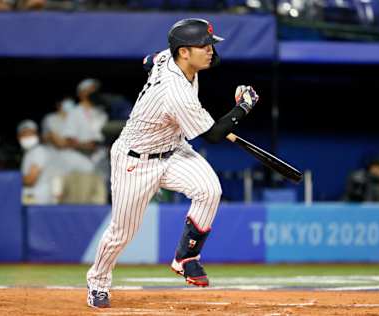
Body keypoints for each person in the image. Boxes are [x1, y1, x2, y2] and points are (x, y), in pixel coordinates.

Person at [86, 18, 259, 308]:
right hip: (136, 161)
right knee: (122, 232)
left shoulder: (169, 57)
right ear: (184, 53)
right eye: (204, 46)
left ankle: (185, 256)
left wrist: (160, 59)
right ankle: (98, 281)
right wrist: (243, 106)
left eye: (209, 45)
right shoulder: (175, 92)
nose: (211, 52)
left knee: (209, 190)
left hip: (173, 149)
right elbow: (214, 136)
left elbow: (147, 60)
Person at [62, 78, 109, 179]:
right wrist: (86, 146)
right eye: (90, 89)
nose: (94, 92)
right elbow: (68, 140)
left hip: (101, 162)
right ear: (81, 93)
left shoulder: (102, 112)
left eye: (95, 89)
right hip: (80, 163)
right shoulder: (74, 112)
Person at [17, 120, 64, 204]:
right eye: (25, 134)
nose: (28, 136)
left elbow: (31, 180)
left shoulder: (38, 151)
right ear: (19, 137)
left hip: (39, 200)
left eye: (31, 133)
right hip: (31, 198)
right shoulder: (29, 153)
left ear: (37, 135)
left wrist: (10, 180)